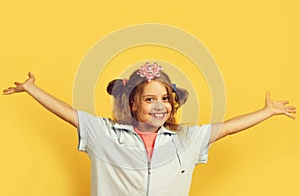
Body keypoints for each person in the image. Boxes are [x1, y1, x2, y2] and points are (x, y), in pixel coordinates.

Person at [3, 62, 296, 196]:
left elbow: (228, 128)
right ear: (132, 104)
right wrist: (32, 90)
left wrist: (267, 111)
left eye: (165, 99)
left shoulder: (187, 139)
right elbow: (69, 114)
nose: (160, 106)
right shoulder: (105, 134)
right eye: (150, 99)